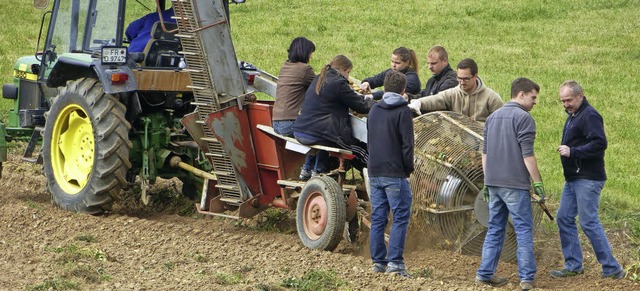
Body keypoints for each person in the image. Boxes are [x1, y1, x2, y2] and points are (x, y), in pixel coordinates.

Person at [550, 80, 626, 280]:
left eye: (569, 100)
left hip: (588, 178)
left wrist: (572, 151)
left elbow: (600, 143)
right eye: (562, 101)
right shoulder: (574, 115)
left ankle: (612, 268)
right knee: (564, 217)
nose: (565, 104)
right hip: (574, 178)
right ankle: (573, 265)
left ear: (580, 96)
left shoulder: (589, 115)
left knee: (588, 222)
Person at [475, 77, 544, 291]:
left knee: (495, 228)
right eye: (533, 97)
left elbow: (484, 153)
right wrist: (538, 183)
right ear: (521, 94)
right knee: (523, 230)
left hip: (494, 183)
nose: (534, 102)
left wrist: (487, 182)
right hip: (515, 185)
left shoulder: (493, 118)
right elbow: (528, 155)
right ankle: (526, 279)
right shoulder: (524, 118)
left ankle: (484, 274)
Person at [292, 55, 374, 180]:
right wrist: (373, 101)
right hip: (318, 133)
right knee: (356, 149)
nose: (348, 76)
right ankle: (376, 171)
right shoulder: (338, 83)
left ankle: (308, 169)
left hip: (301, 129)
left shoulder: (320, 77)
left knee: (324, 135)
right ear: (342, 69)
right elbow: (361, 106)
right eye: (348, 72)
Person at [367, 70, 414, 278]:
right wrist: (407, 169)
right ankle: (395, 263)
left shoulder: (374, 110)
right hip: (395, 173)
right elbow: (407, 145)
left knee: (379, 217)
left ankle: (378, 262)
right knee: (400, 216)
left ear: (384, 88)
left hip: (374, 171)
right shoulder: (403, 112)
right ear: (403, 90)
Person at [408, 58, 503, 122]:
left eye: (466, 79)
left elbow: (501, 122)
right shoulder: (454, 93)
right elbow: (437, 99)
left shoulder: (492, 98)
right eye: (459, 78)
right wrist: (419, 102)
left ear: (475, 76)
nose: (462, 82)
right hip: (458, 140)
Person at [272, 37, 316, 137]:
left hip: (276, 123)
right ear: (304, 52)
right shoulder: (305, 69)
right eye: (310, 53)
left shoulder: (285, 66)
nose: (311, 57)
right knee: (328, 132)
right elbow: (322, 87)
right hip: (290, 124)